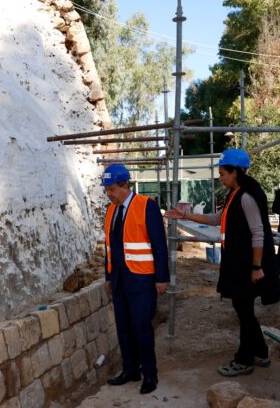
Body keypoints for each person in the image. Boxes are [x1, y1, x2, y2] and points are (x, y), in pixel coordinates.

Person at [164, 149, 280, 377]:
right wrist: (185, 216)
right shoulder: (234, 194)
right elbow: (216, 219)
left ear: (236, 172)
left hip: (248, 266)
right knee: (243, 310)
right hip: (238, 264)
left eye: (223, 173)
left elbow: (258, 233)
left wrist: (257, 267)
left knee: (244, 311)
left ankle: (244, 360)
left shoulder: (247, 196)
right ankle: (261, 352)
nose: (220, 177)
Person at [101, 164, 168, 394]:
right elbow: (109, 248)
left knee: (141, 327)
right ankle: (130, 369)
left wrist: (161, 278)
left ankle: (150, 374)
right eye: (106, 190)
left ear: (124, 185)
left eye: (111, 189)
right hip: (119, 280)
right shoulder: (111, 210)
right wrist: (108, 275)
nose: (108, 193)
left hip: (142, 280)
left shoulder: (146, 206)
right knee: (124, 328)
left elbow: (160, 245)